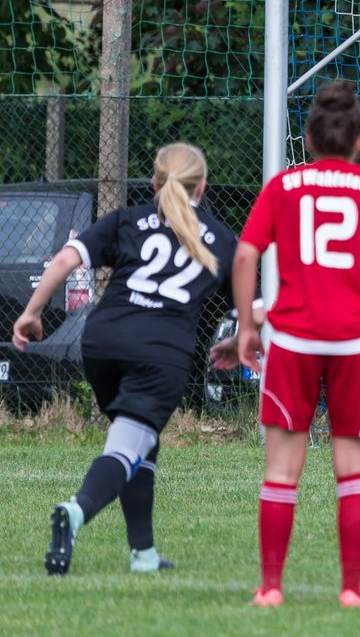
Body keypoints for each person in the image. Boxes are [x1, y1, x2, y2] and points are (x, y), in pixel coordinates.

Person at [11, 143, 237, 576]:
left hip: (103, 343)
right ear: (203, 188)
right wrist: (244, 335)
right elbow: (255, 304)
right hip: (160, 353)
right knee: (127, 446)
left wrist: (31, 311)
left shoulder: (128, 220)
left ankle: (144, 554)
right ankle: (75, 511)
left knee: (137, 442)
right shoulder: (222, 239)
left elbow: (64, 258)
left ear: (154, 183)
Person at [231, 82, 360, 609]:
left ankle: (270, 588)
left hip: (291, 339)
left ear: (308, 140)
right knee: (353, 470)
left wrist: (247, 325)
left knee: (282, 471)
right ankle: (352, 589)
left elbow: (246, 257)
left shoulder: (284, 186)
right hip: (355, 342)